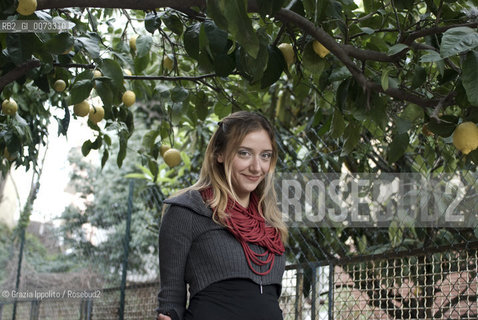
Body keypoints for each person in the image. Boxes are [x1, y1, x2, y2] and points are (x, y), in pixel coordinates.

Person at [156, 111, 288, 320]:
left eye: (265, 155)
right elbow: (170, 304)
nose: (256, 167)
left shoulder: (270, 223)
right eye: (244, 153)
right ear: (220, 154)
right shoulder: (187, 210)